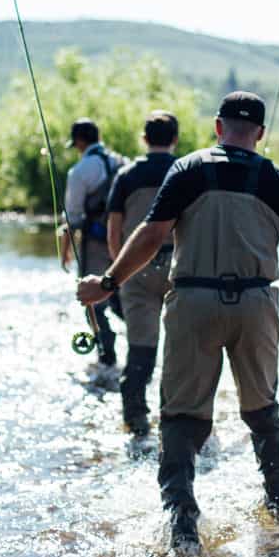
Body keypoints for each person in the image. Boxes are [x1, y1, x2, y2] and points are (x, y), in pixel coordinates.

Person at [77, 92, 279, 553]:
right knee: (262, 409)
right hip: (256, 306)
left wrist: (108, 280)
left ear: (218, 127)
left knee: (180, 416)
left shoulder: (189, 169)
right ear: (260, 133)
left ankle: (182, 524)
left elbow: (152, 234)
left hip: (193, 302)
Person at [105, 111, 179, 436]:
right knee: (180, 347)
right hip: (182, 269)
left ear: (144, 138)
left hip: (136, 269)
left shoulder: (126, 175)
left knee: (140, 348)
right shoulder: (186, 171)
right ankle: (176, 417)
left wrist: (118, 273)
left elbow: (113, 232)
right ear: (175, 139)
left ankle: (136, 421)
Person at [59, 118, 124, 368]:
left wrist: (65, 251)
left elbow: (72, 218)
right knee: (122, 294)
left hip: (95, 245)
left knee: (92, 300)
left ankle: (106, 355)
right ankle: (141, 345)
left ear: (80, 142)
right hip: (124, 243)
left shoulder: (80, 171)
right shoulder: (122, 162)